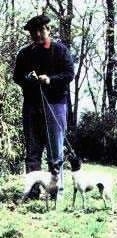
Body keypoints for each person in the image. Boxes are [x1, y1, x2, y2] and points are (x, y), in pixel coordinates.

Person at [13, 14, 74, 198]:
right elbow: (17, 77)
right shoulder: (25, 53)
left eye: (41, 30)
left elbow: (69, 74)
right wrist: (28, 80)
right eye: (33, 32)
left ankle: (57, 192)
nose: (37, 34)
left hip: (56, 105)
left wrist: (50, 80)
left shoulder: (61, 51)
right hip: (31, 106)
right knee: (32, 151)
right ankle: (32, 191)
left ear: (48, 30)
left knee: (55, 152)